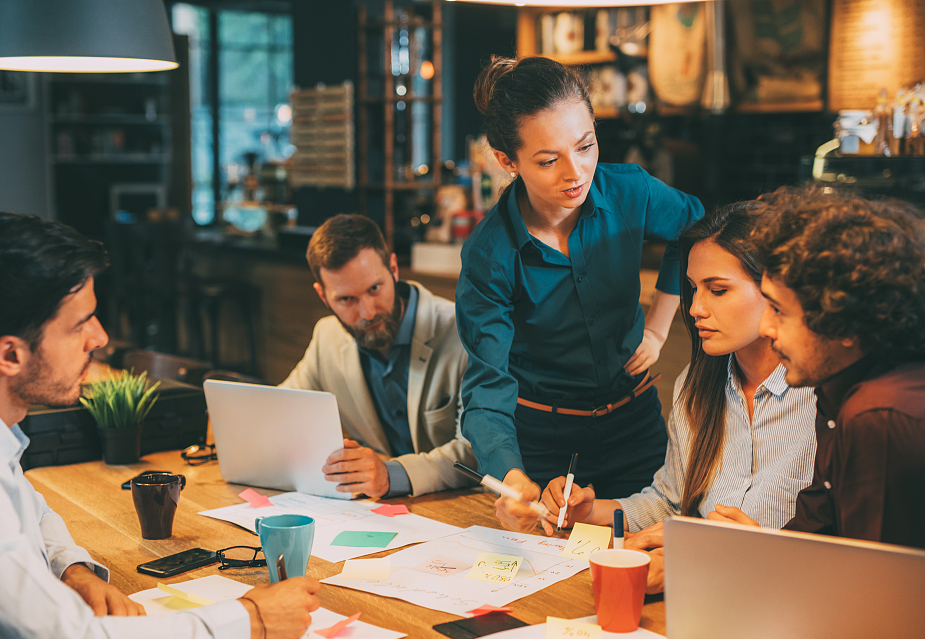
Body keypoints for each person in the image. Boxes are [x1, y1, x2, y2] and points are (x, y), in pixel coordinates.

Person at [0, 209, 320, 639]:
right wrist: (251, 619)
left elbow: (24, 504)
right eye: (79, 324)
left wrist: (69, 567)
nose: (100, 338)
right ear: (11, 354)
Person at [456, 56, 704, 532]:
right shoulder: (490, 253)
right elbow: (487, 387)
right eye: (548, 160)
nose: (576, 173)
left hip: (635, 423)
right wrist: (511, 478)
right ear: (507, 162)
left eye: (585, 145)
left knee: (653, 547)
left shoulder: (630, 190)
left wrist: (658, 326)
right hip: (544, 442)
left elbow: (697, 229)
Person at [542, 202, 818, 591]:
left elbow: (853, 546)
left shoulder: (825, 398)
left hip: (781, 595)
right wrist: (592, 512)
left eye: (718, 290)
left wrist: (744, 551)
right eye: (692, 289)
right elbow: (670, 502)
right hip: (702, 593)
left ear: (777, 291)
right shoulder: (695, 385)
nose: (696, 308)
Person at [707, 190, 925, 550]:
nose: (765, 328)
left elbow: (878, 586)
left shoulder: (879, 414)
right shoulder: (836, 384)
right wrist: (749, 549)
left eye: (779, 310)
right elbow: (819, 530)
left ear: (843, 323)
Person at [280, 214, 475, 498]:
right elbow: (283, 411)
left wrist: (390, 475)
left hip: (460, 508)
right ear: (323, 296)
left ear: (394, 269)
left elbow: (475, 452)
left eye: (375, 289)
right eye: (346, 299)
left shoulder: (464, 333)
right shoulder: (327, 336)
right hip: (377, 513)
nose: (368, 313)